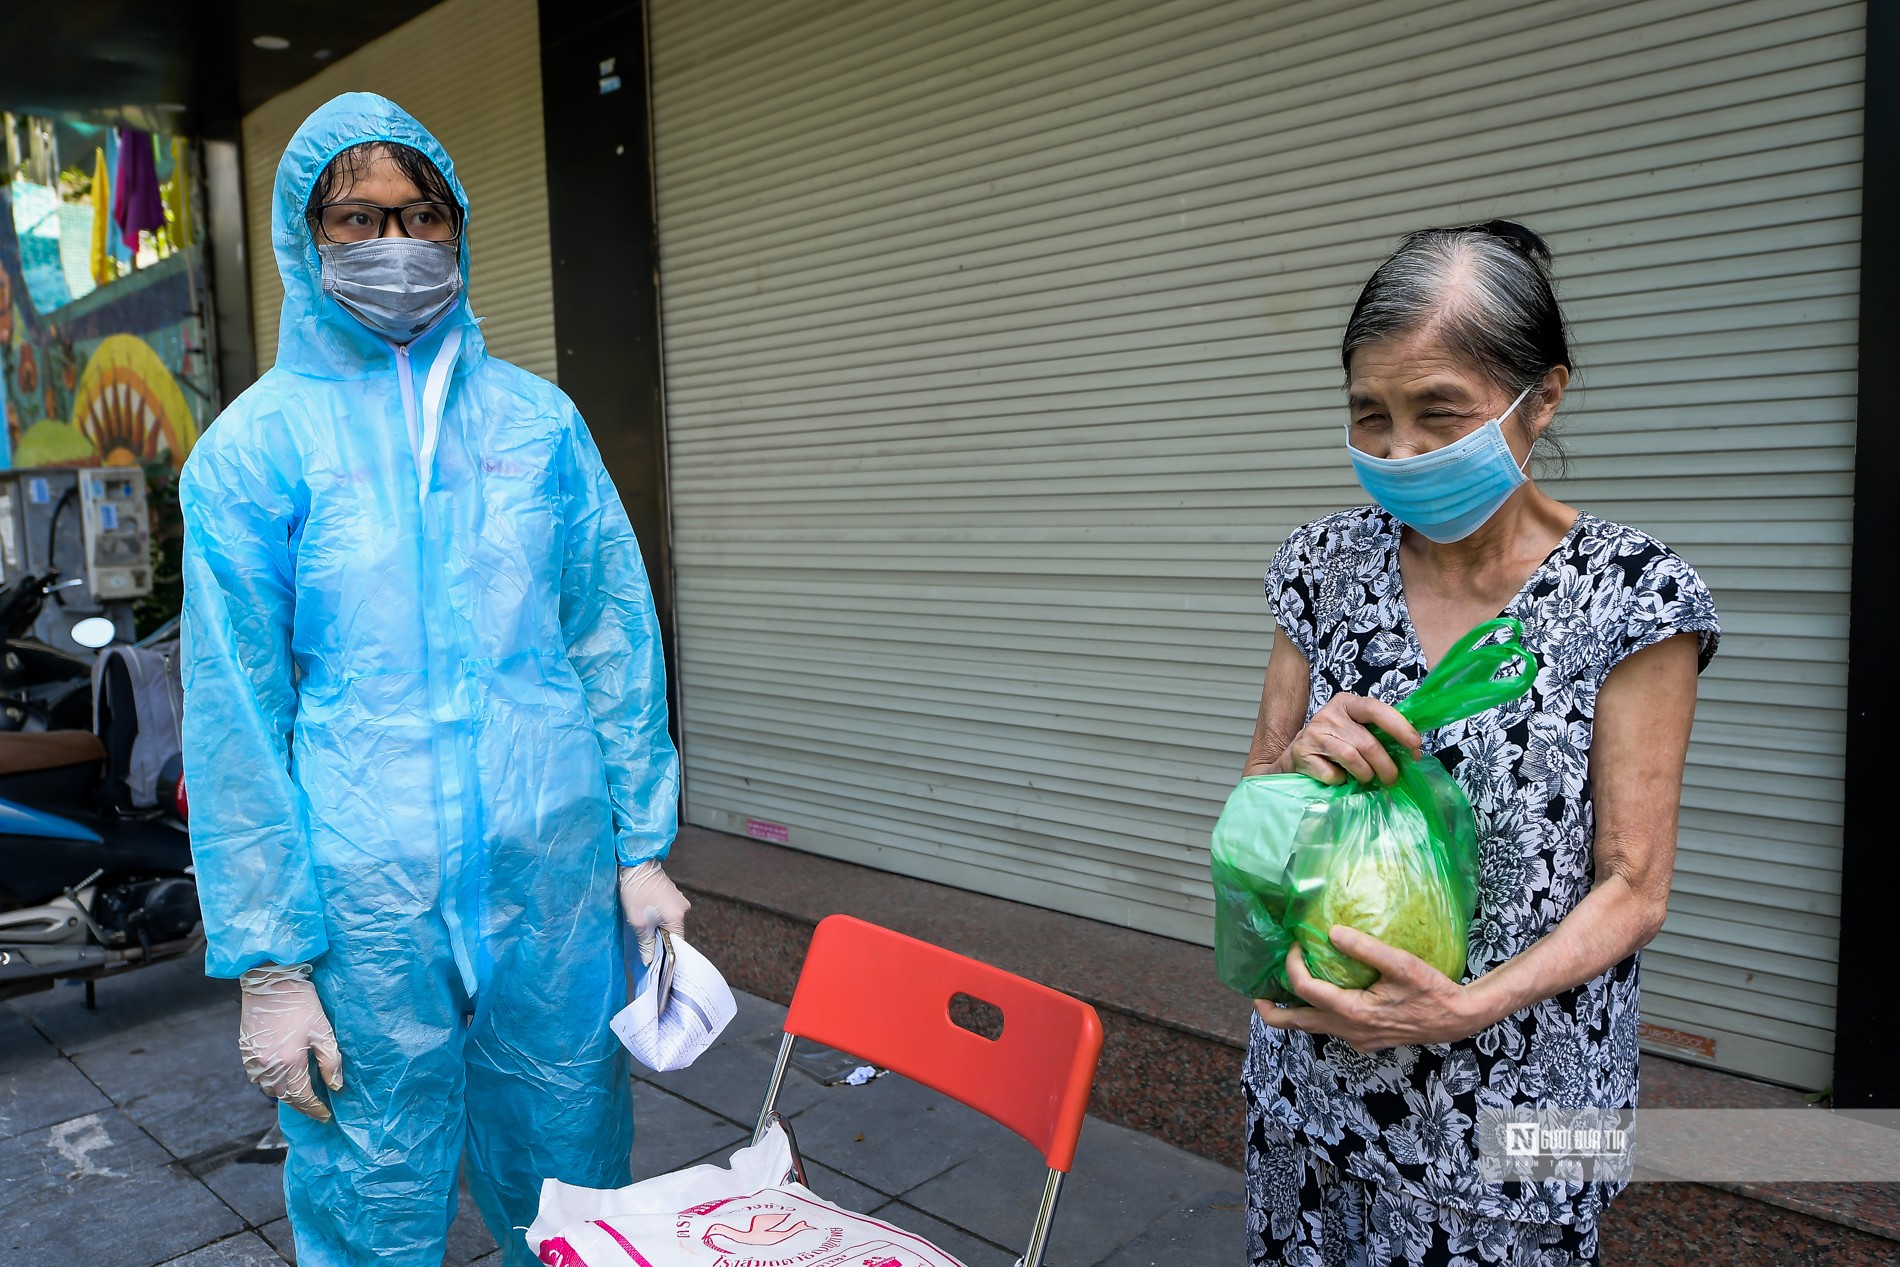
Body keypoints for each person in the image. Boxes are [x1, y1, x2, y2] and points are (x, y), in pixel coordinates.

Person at [179, 93, 687, 1266]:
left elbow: (609, 636)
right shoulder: (254, 451)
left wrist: (638, 846)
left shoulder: (538, 426)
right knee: (370, 1196)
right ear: (307, 244)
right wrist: (270, 959)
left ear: (458, 228)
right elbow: (238, 714)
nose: (393, 245)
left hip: (554, 883)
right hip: (363, 909)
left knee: (572, 1192)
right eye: (355, 218)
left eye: (419, 215)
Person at [1239, 221, 1719, 1265]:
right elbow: (1254, 800)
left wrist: (1456, 1011)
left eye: (1438, 413)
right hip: (1313, 1089)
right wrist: (1297, 761)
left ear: (1539, 399)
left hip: (1525, 1105)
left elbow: (1634, 885)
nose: (1399, 451)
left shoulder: (1631, 597)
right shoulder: (1320, 565)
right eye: (1370, 415)